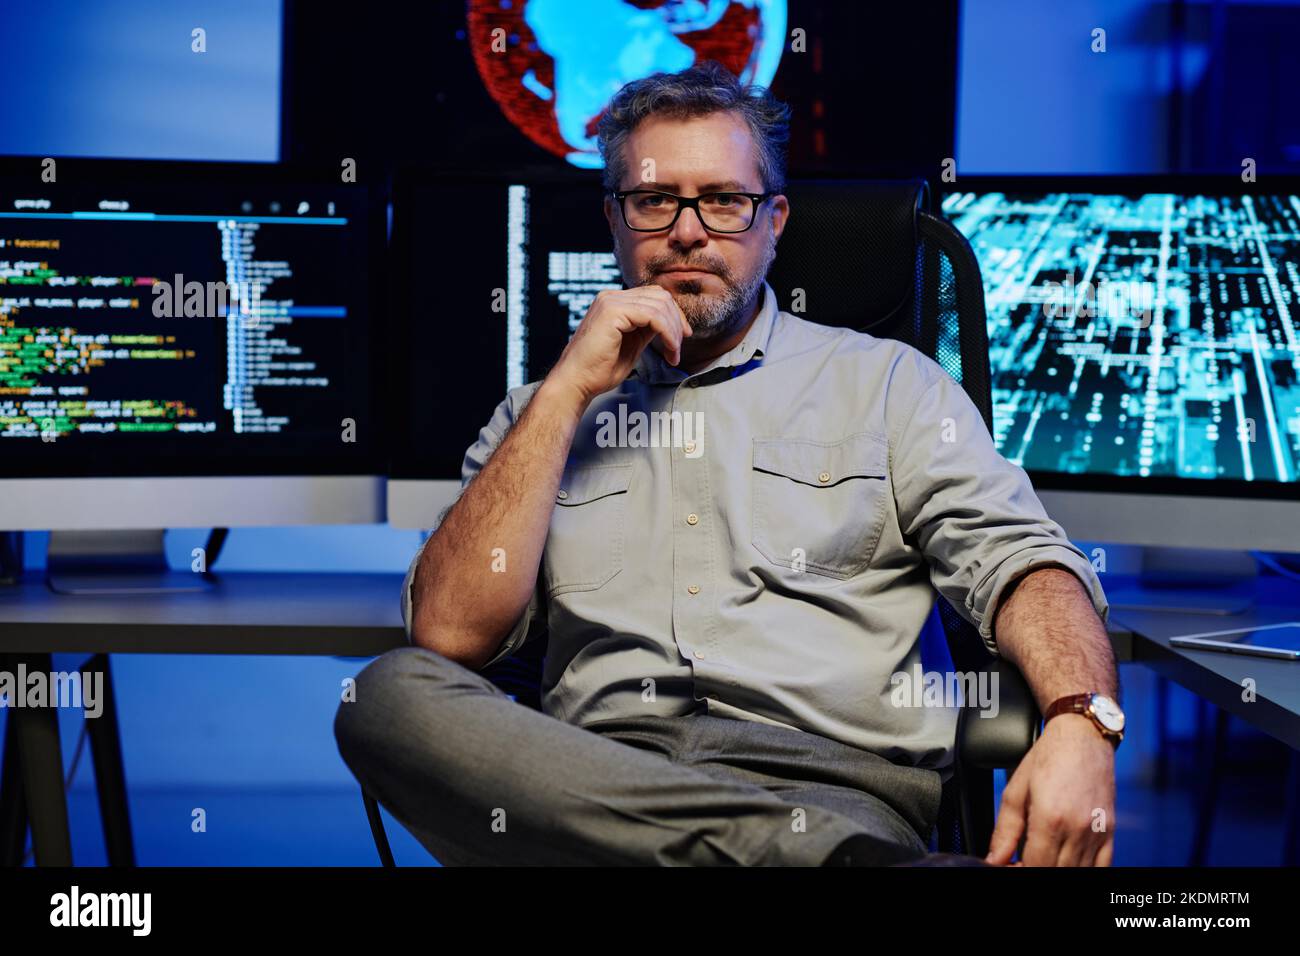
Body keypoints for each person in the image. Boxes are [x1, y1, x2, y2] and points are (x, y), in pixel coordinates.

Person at [336, 61, 1121, 866]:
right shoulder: (535, 417)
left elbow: (1027, 567)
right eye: (653, 200)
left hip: (829, 796)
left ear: (773, 221)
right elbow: (448, 633)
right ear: (614, 221)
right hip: (595, 784)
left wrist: (1082, 720)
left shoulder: (891, 387)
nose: (687, 230)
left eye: (723, 200)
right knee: (388, 697)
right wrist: (567, 391)